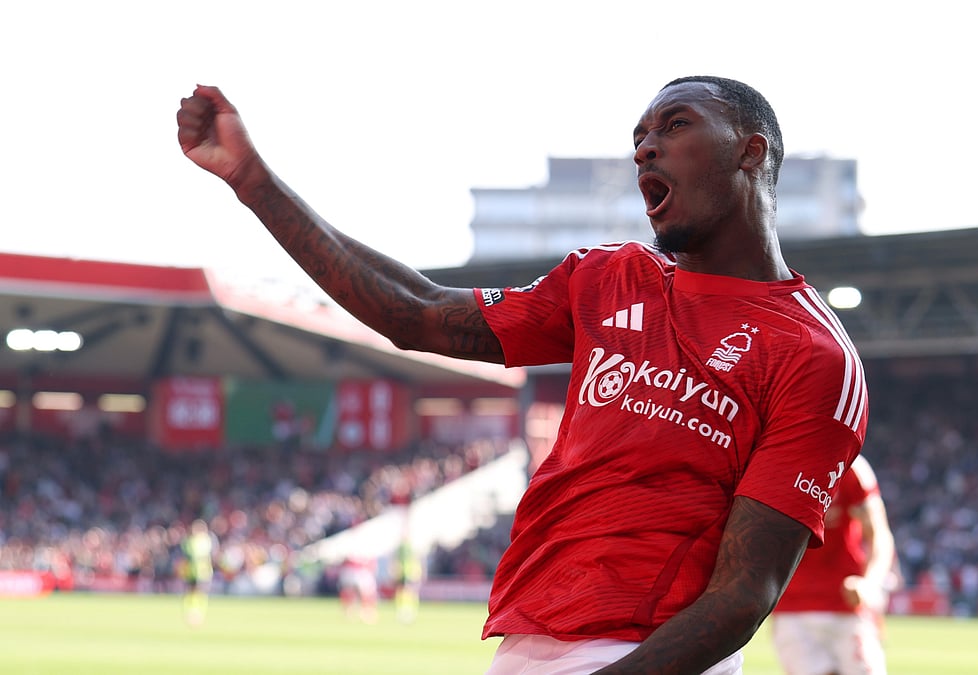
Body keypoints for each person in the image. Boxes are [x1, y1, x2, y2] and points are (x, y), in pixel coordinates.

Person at [177, 75, 868, 674]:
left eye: (675, 125)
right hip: (527, 643)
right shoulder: (608, 276)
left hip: (651, 654)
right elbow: (416, 312)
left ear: (752, 150)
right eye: (638, 134)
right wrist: (254, 183)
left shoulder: (814, 354)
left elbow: (744, 593)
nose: (643, 148)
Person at [770, 454, 895, 675]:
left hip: (846, 604)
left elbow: (879, 535)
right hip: (791, 609)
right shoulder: (773, 463)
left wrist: (870, 583)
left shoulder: (852, 467)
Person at [180, 518, 216, 626]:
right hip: (192, 571)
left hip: (203, 572)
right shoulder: (190, 541)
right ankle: (191, 611)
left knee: (201, 593)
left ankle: (198, 613)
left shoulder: (207, 541)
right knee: (191, 593)